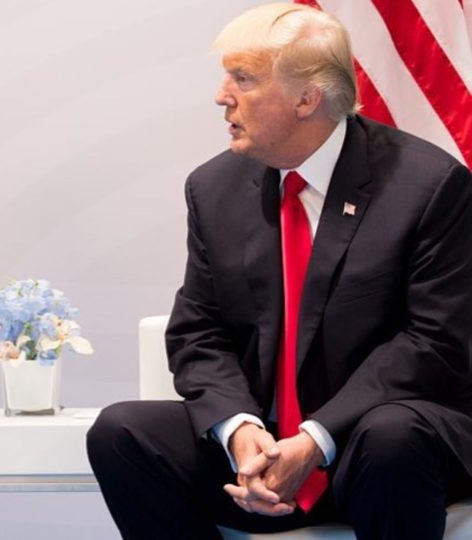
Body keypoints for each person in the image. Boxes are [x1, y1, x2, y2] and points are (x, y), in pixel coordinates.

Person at [87, 3, 472, 539]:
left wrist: (316, 438)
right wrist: (239, 429)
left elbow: (434, 343)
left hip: (374, 445)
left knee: (392, 436)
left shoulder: (428, 187)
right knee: (122, 431)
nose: (222, 96)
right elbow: (198, 332)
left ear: (306, 98)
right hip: (260, 447)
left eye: (242, 78)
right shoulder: (214, 188)